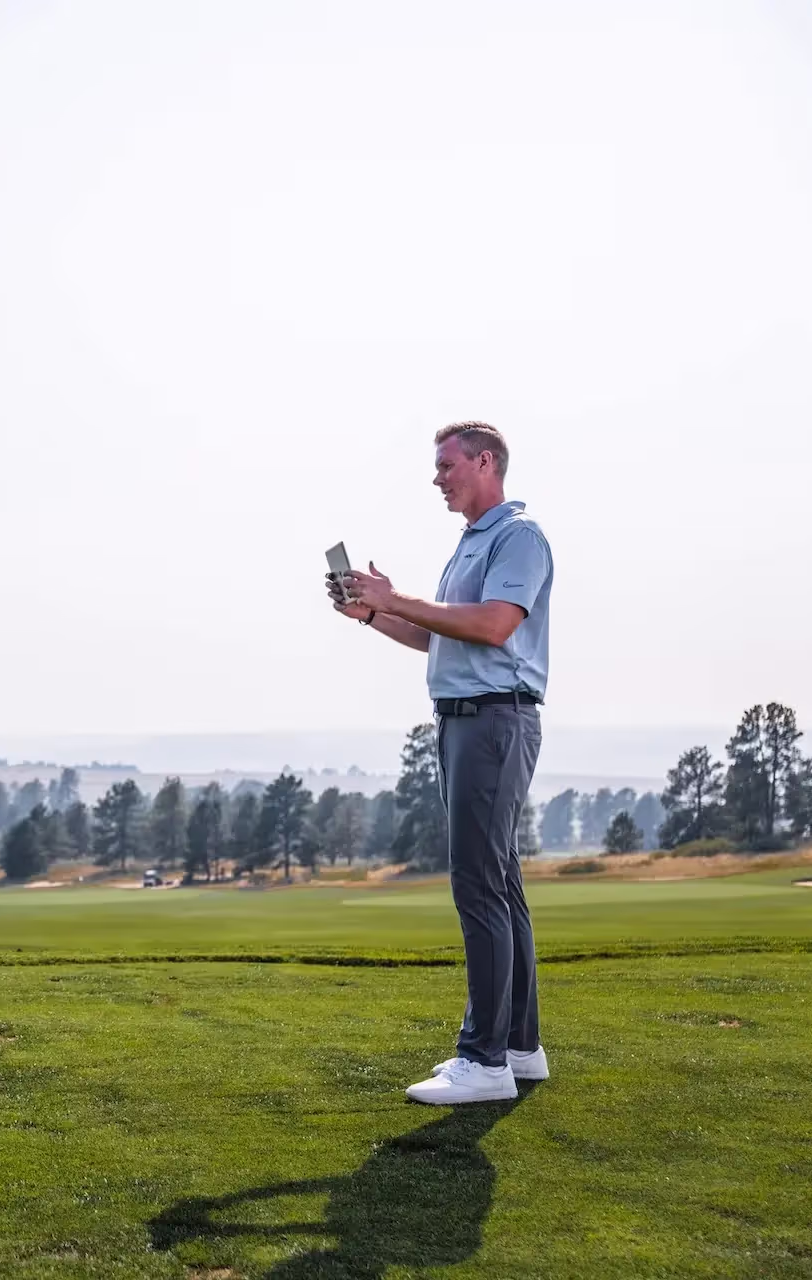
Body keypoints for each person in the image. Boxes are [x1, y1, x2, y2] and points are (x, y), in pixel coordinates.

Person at [329, 422, 552, 1105]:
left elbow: (492, 626)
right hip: (469, 720)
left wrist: (394, 596)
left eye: (446, 465)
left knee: (477, 885)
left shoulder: (519, 536)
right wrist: (372, 614)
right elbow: (441, 638)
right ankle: (519, 1048)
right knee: (499, 883)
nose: (437, 477)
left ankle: (483, 1060)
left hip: (494, 719)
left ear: (486, 463)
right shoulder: (469, 547)